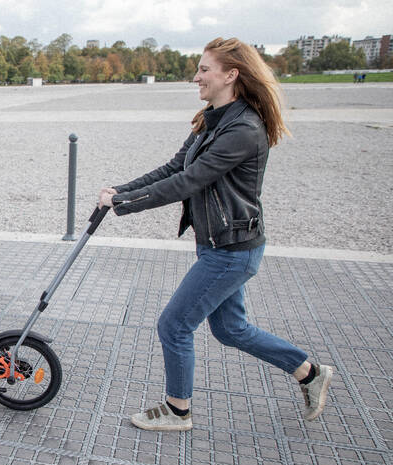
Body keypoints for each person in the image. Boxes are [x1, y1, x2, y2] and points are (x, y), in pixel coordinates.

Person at [98, 37, 333, 431]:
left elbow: (190, 181)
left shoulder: (243, 129)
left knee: (173, 325)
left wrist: (126, 205)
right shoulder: (214, 118)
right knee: (230, 329)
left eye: (205, 69)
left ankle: (178, 410)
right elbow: (173, 167)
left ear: (231, 74)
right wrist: (120, 190)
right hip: (217, 246)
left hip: (233, 250)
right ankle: (309, 373)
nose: (197, 77)